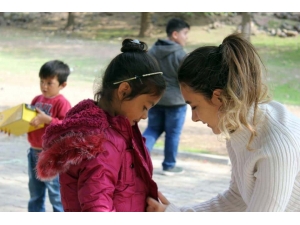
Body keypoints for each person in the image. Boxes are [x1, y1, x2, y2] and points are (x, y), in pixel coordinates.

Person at [146, 32, 300, 212]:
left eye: (194, 106)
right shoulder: (239, 123)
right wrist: (175, 214)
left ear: (218, 97)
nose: (194, 118)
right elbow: (237, 198)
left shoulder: (275, 143)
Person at [35, 39, 166, 212]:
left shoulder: (121, 131)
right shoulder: (101, 144)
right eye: (144, 107)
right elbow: (97, 206)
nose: (144, 116)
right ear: (124, 91)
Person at [142, 18, 190, 175]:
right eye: (185, 33)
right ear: (175, 34)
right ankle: (169, 165)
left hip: (155, 99)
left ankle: (139, 158)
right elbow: (187, 79)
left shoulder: (152, 51)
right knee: (173, 134)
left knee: (152, 129)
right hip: (176, 102)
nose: (186, 37)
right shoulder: (180, 55)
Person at [27, 60, 71, 212]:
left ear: (62, 85)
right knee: (35, 193)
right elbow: (28, 121)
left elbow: (67, 127)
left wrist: (49, 120)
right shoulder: (36, 100)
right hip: (34, 152)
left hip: (51, 155)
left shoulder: (62, 103)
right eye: (42, 81)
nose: (44, 86)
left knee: (56, 196)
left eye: (49, 83)